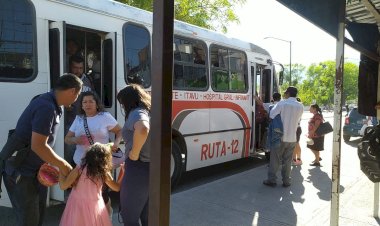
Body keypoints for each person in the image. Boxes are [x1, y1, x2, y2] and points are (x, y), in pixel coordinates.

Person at [0, 74, 82, 226]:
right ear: (72, 91)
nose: (76, 99)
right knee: (29, 221)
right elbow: (38, 145)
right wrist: (63, 165)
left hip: (34, 173)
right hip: (22, 173)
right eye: (77, 95)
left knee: (37, 219)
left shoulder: (53, 104)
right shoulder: (47, 106)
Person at [64, 91, 122, 215]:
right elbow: (67, 138)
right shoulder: (79, 118)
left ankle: (106, 217)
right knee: (82, 194)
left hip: (101, 163)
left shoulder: (104, 116)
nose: (88, 104)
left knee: (103, 195)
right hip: (80, 163)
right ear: (81, 105)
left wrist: (116, 143)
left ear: (97, 103)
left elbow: (119, 131)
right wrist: (75, 139)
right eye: (84, 102)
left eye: (91, 101)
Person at [59, 143, 123, 226]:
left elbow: (63, 186)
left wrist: (61, 171)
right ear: (104, 159)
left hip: (76, 206)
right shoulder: (103, 172)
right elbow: (117, 188)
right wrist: (123, 173)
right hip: (95, 207)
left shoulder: (79, 169)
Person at [117, 84, 151, 226]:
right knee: (148, 217)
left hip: (137, 168)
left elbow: (143, 128)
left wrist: (134, 153)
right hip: (152, 168)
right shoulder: (151, 111)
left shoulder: (136, 112)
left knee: (129, 217)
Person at [263, 86, 303, 187]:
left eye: (285, 93)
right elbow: (298, 121)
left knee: (275, 160)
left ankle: (272, 180)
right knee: (288, 161)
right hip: (292, 138)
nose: (284, 94)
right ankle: (286, 181)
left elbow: (272, 114)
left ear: (288, 93)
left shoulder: (282, 103)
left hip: (280, 137)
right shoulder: (300, 106)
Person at [292, 97, 303, 166]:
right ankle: (298, 159)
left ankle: (295, 160)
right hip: (297, 128)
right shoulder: (299, 110)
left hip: (295, 128)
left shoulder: (296, 111)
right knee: (297, 144)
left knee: (295, 145)